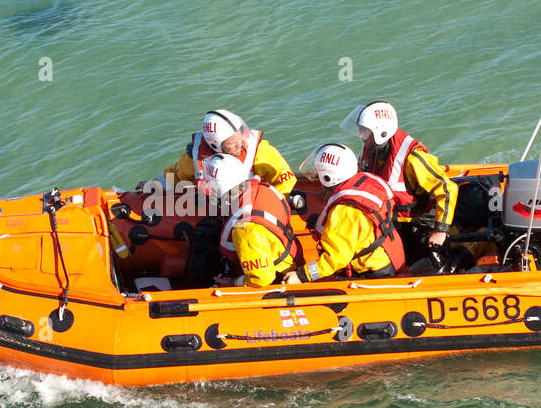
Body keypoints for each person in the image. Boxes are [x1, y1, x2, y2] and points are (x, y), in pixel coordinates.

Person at [341, 101, 458, 251]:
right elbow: (363, 173)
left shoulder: (413, 158)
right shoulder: (373, 147)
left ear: (381, 133)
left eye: (365, 131)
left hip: (418, 222)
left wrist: (440, 230)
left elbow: (447, 189)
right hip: (390, 218)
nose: (361, 135)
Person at [282, 144, 405, 283]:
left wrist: (302, 275)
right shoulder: (366, 180)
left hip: (376, 271)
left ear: (329, 178)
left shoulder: (343, 212)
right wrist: (331, 191)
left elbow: (336, 259)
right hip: (391, 251)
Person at [197, 154, 301, 287]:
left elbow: (262, 279)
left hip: (276, 277)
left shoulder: (244, 229)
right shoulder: (263, 188)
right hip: (285, 256)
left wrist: (232, 282)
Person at [152, 109, 296, 196]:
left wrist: (274, 206)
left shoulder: (260, 151)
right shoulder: (195, 157)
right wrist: (152, 188)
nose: (241, 144)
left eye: (241, 135)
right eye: (232, 144)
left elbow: (286, 179)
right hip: (213, 212)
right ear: (216, 146)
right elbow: (175, 176)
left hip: (248, 210)